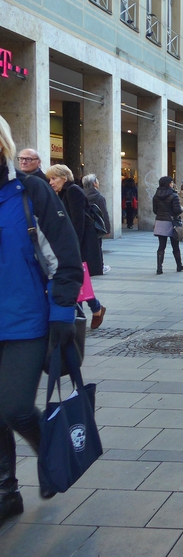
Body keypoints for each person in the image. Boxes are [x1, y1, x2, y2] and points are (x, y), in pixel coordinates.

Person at [0, 115, 83, 523]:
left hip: (26, 322)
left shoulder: (30, 192)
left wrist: (63, 311)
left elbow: (66, 257)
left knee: (14, 407)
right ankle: (5, 491)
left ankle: (52, 450)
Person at [46, 164, 107, 329]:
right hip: (72, 243)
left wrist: (73, 249)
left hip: (79, 244)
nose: (50, 182)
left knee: (76, 278)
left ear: (64, 178)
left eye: (54, 178)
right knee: (78, 278)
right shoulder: (64, 192)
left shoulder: (73, 191)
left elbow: (77, 222)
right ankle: (93, 309)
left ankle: (87, 311)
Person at [152, 176, 183, 274]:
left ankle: (159, 268)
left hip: (160, 221)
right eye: (171, 182)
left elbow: (155, 210)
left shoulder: (156, 196)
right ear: (169, 184)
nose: (172, 184)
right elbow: (176, 210)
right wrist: (181, 209)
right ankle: (179, 265)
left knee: (161, 246)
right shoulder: (174, 195)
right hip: (172, 223)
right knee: (175, 245)